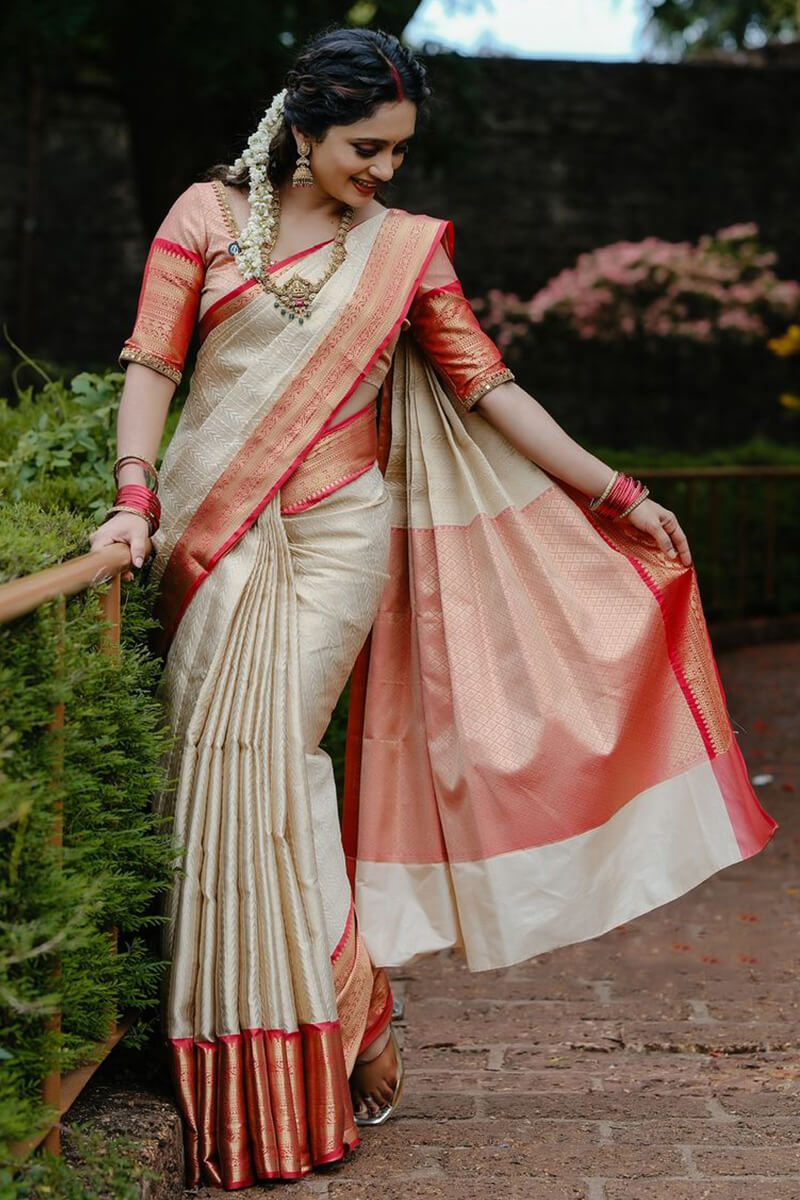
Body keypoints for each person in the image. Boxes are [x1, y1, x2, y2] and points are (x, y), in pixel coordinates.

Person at [89, 26, 775, 1192]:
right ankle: (343, 1003)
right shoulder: (203, 218)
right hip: (211, 525)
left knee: (269, 753)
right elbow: (153, 365)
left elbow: (489, 386)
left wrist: (615, 490)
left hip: (341, 530)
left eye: (401, 152)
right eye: (367, 148)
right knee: (216, 766)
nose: (386, 173)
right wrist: (132, 498)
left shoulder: (403, 253)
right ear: (301, 125)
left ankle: (320, 1017)